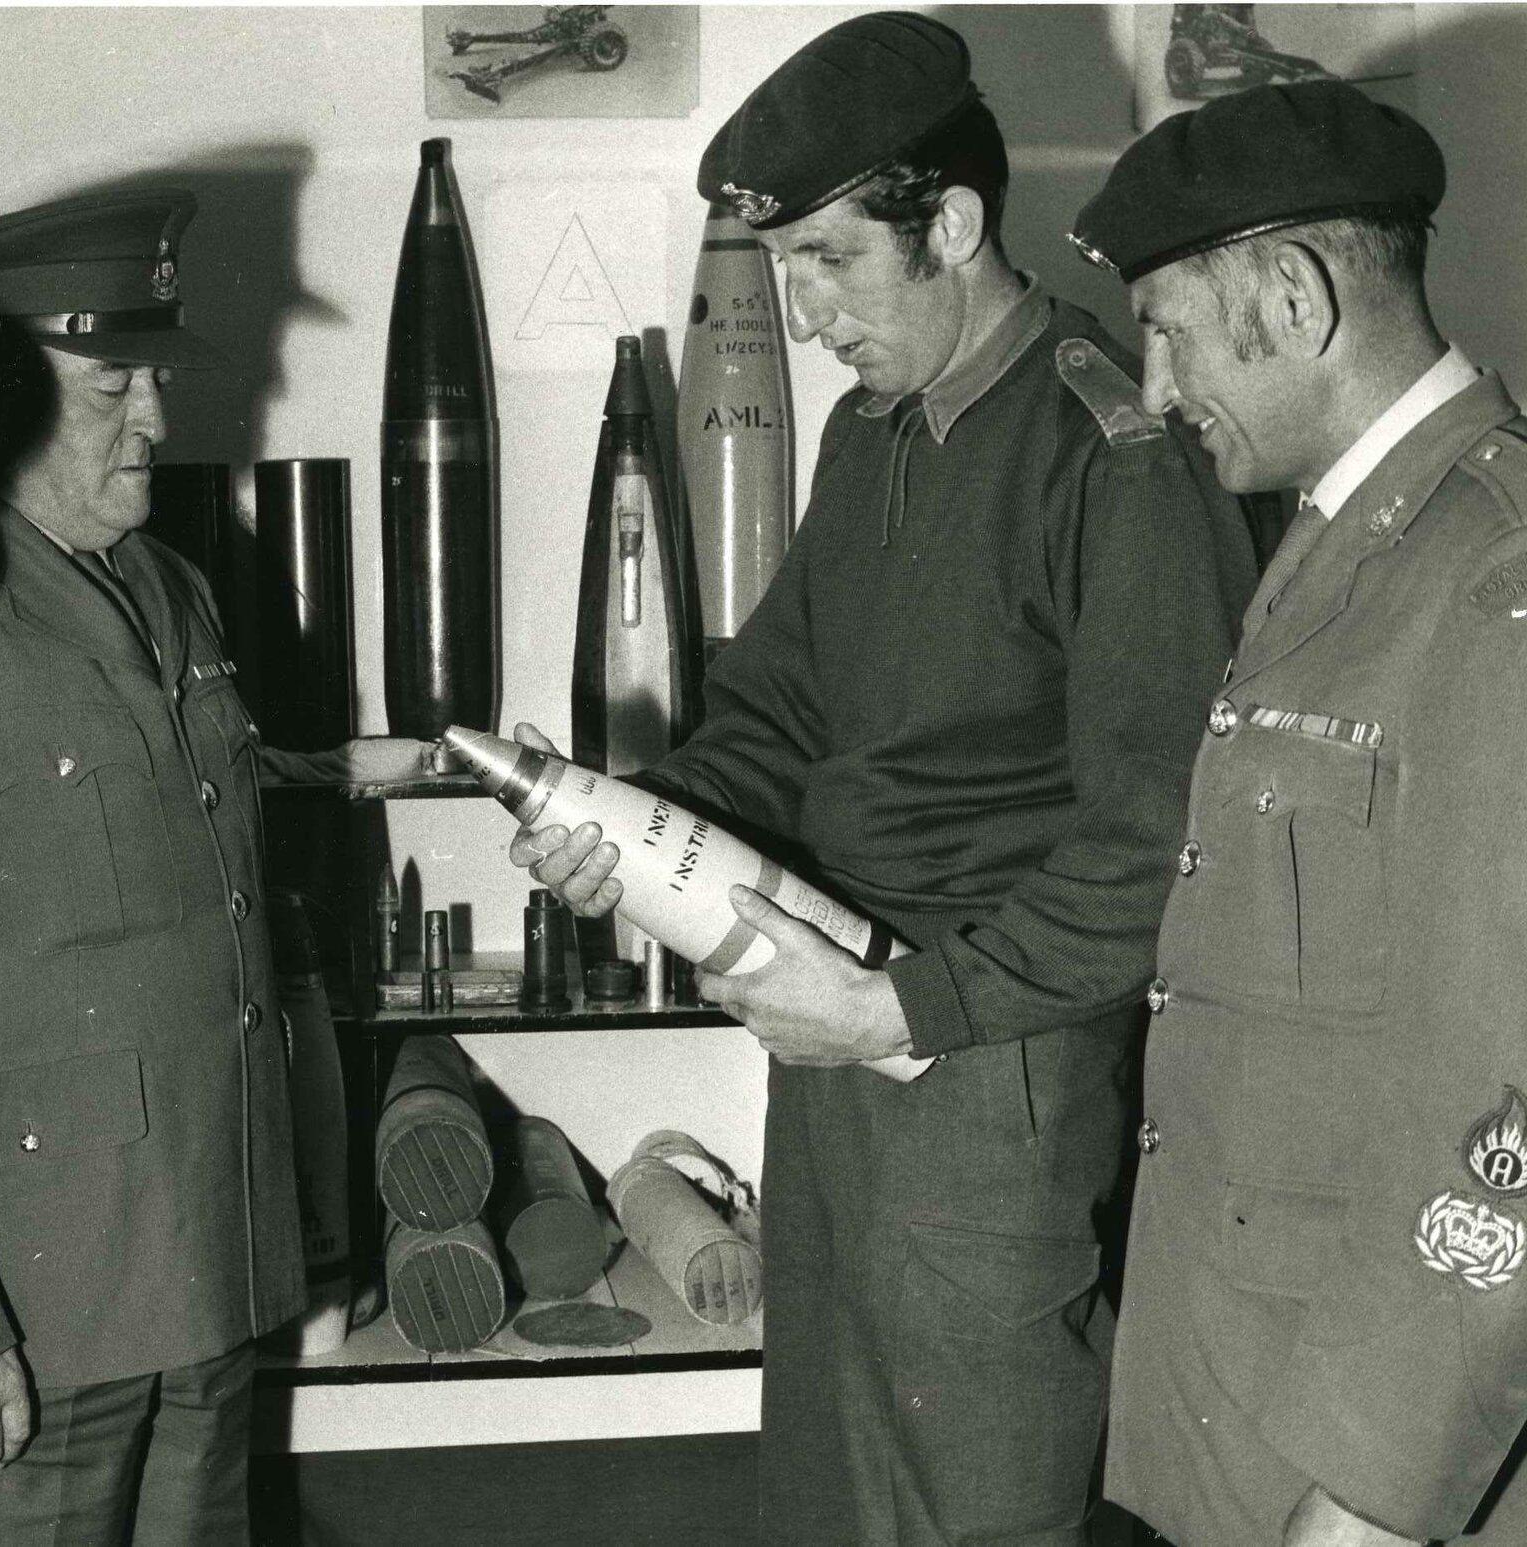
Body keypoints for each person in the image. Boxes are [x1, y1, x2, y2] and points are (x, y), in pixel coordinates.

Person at [509, 13, 1258, 1544]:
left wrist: (905, 1008)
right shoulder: (874, 434)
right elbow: (778, 708)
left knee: (977, 1500)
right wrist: (628, 829)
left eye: (829, 263)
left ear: (956, 227)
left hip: (991, 1063)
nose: (799, 316)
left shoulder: (1108, 453)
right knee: (836, 1489)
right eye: (782, 268)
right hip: (836, 1035)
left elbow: (1159, 841)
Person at [0, 186, 410, 1546]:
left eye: (154, 382)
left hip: (215, 1260)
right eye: (113, 385)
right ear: (0, 398)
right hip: (43, 1309)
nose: (158, 424)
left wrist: (306, 1232)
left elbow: (224, 921)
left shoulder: (174, 589)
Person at [1072, 80, 1527, 1547]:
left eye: (1169, 326)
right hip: (1249, 1412)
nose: (1153, 386)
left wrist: (1376, 1495)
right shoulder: (1341, 544)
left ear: (1292, 294)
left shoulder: (1490, 581)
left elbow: (1509, 1102)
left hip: (1374, 1468)